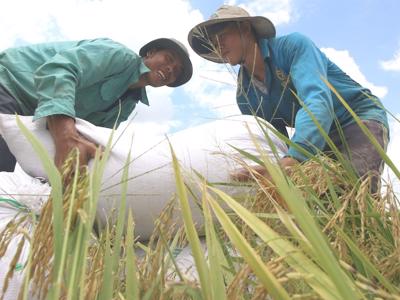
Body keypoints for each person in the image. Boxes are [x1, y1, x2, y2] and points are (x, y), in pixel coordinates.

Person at [188, 5, 389, 192]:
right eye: (213, 43)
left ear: (245, 27)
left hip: (357, 119)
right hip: (317, 138)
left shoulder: (293, 46)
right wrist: (270, 168)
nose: (218, 45)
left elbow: (317, 102)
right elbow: (274, 140)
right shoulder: (245, 96)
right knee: (320, 199)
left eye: (222, 36)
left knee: (356, 193)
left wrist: (294, 159)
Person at [0, 37, 192, 172]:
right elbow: (58, 71)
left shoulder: (128, 104)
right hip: (8, 83)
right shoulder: (118, 55)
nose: (170, 69)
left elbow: (93, 134)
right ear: (150, 53)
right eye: (169, 59)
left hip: (29, 117)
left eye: (175, 71)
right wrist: (66, 136)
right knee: (3, 163)